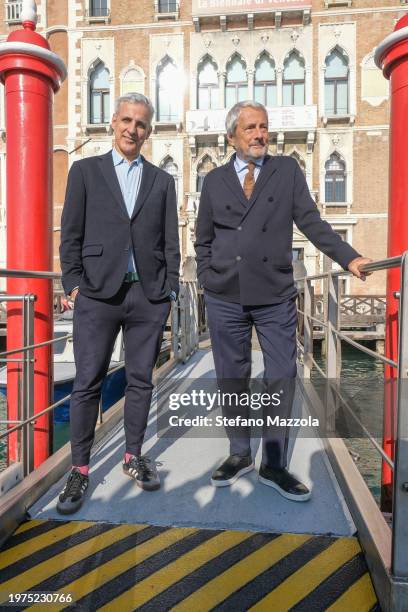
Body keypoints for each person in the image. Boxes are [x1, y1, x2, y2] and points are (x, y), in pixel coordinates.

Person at [195, 100, 371, 501]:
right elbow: (202, 238)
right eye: (251, 128)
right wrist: (207, 278)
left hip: (274, 293)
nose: (260, 134)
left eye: (264, 127)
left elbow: (310, 221)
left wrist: (349, 257)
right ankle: (239, 452)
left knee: (282, 375)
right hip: (225, 296)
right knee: (232, 376)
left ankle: (273, 462)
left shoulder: (286, 171)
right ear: (232, 137)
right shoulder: (214, 180)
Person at [58, 93, 180, 514]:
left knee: (141, 380)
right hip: (96, 294)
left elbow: (170, 243)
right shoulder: (85, 171)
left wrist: (170, 291)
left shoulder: (163, 181)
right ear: (113, 123)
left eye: (141, 123)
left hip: (147, 297)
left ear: (149, 130)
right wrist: (73, 285)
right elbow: (70, 234)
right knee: (87, 382)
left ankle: (133, 456)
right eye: (126, 120)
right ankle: (79, 469)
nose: (133, 129)